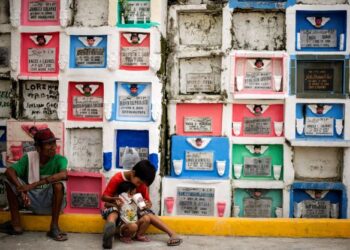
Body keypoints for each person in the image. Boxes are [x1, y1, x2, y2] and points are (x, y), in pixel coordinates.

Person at [1, 128, 68, 241]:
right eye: (48, 144)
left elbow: (63, 175)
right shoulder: (29, 158)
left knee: (59, 185)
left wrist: (32, 185)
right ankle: (16, 225)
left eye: (53, 143)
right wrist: (21, 189)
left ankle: (54, 227)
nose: (53, 147)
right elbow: (9, 171)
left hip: (51, 205)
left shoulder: (60, 159)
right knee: (9, 180)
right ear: (38, 148)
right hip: (31, 201)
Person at [101, 160, 182, 249]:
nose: (140, 185)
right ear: (133, 173)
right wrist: (114, 199)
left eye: (142, 184)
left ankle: (172, 233)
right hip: (116, 207)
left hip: (132, 212)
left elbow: (148, 202)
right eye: (139, 182)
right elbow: (104, 198)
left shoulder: (142, 184)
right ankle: (109, 232)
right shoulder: (117, 178)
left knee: (148, 214)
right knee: (114, 212)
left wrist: (147, 204)